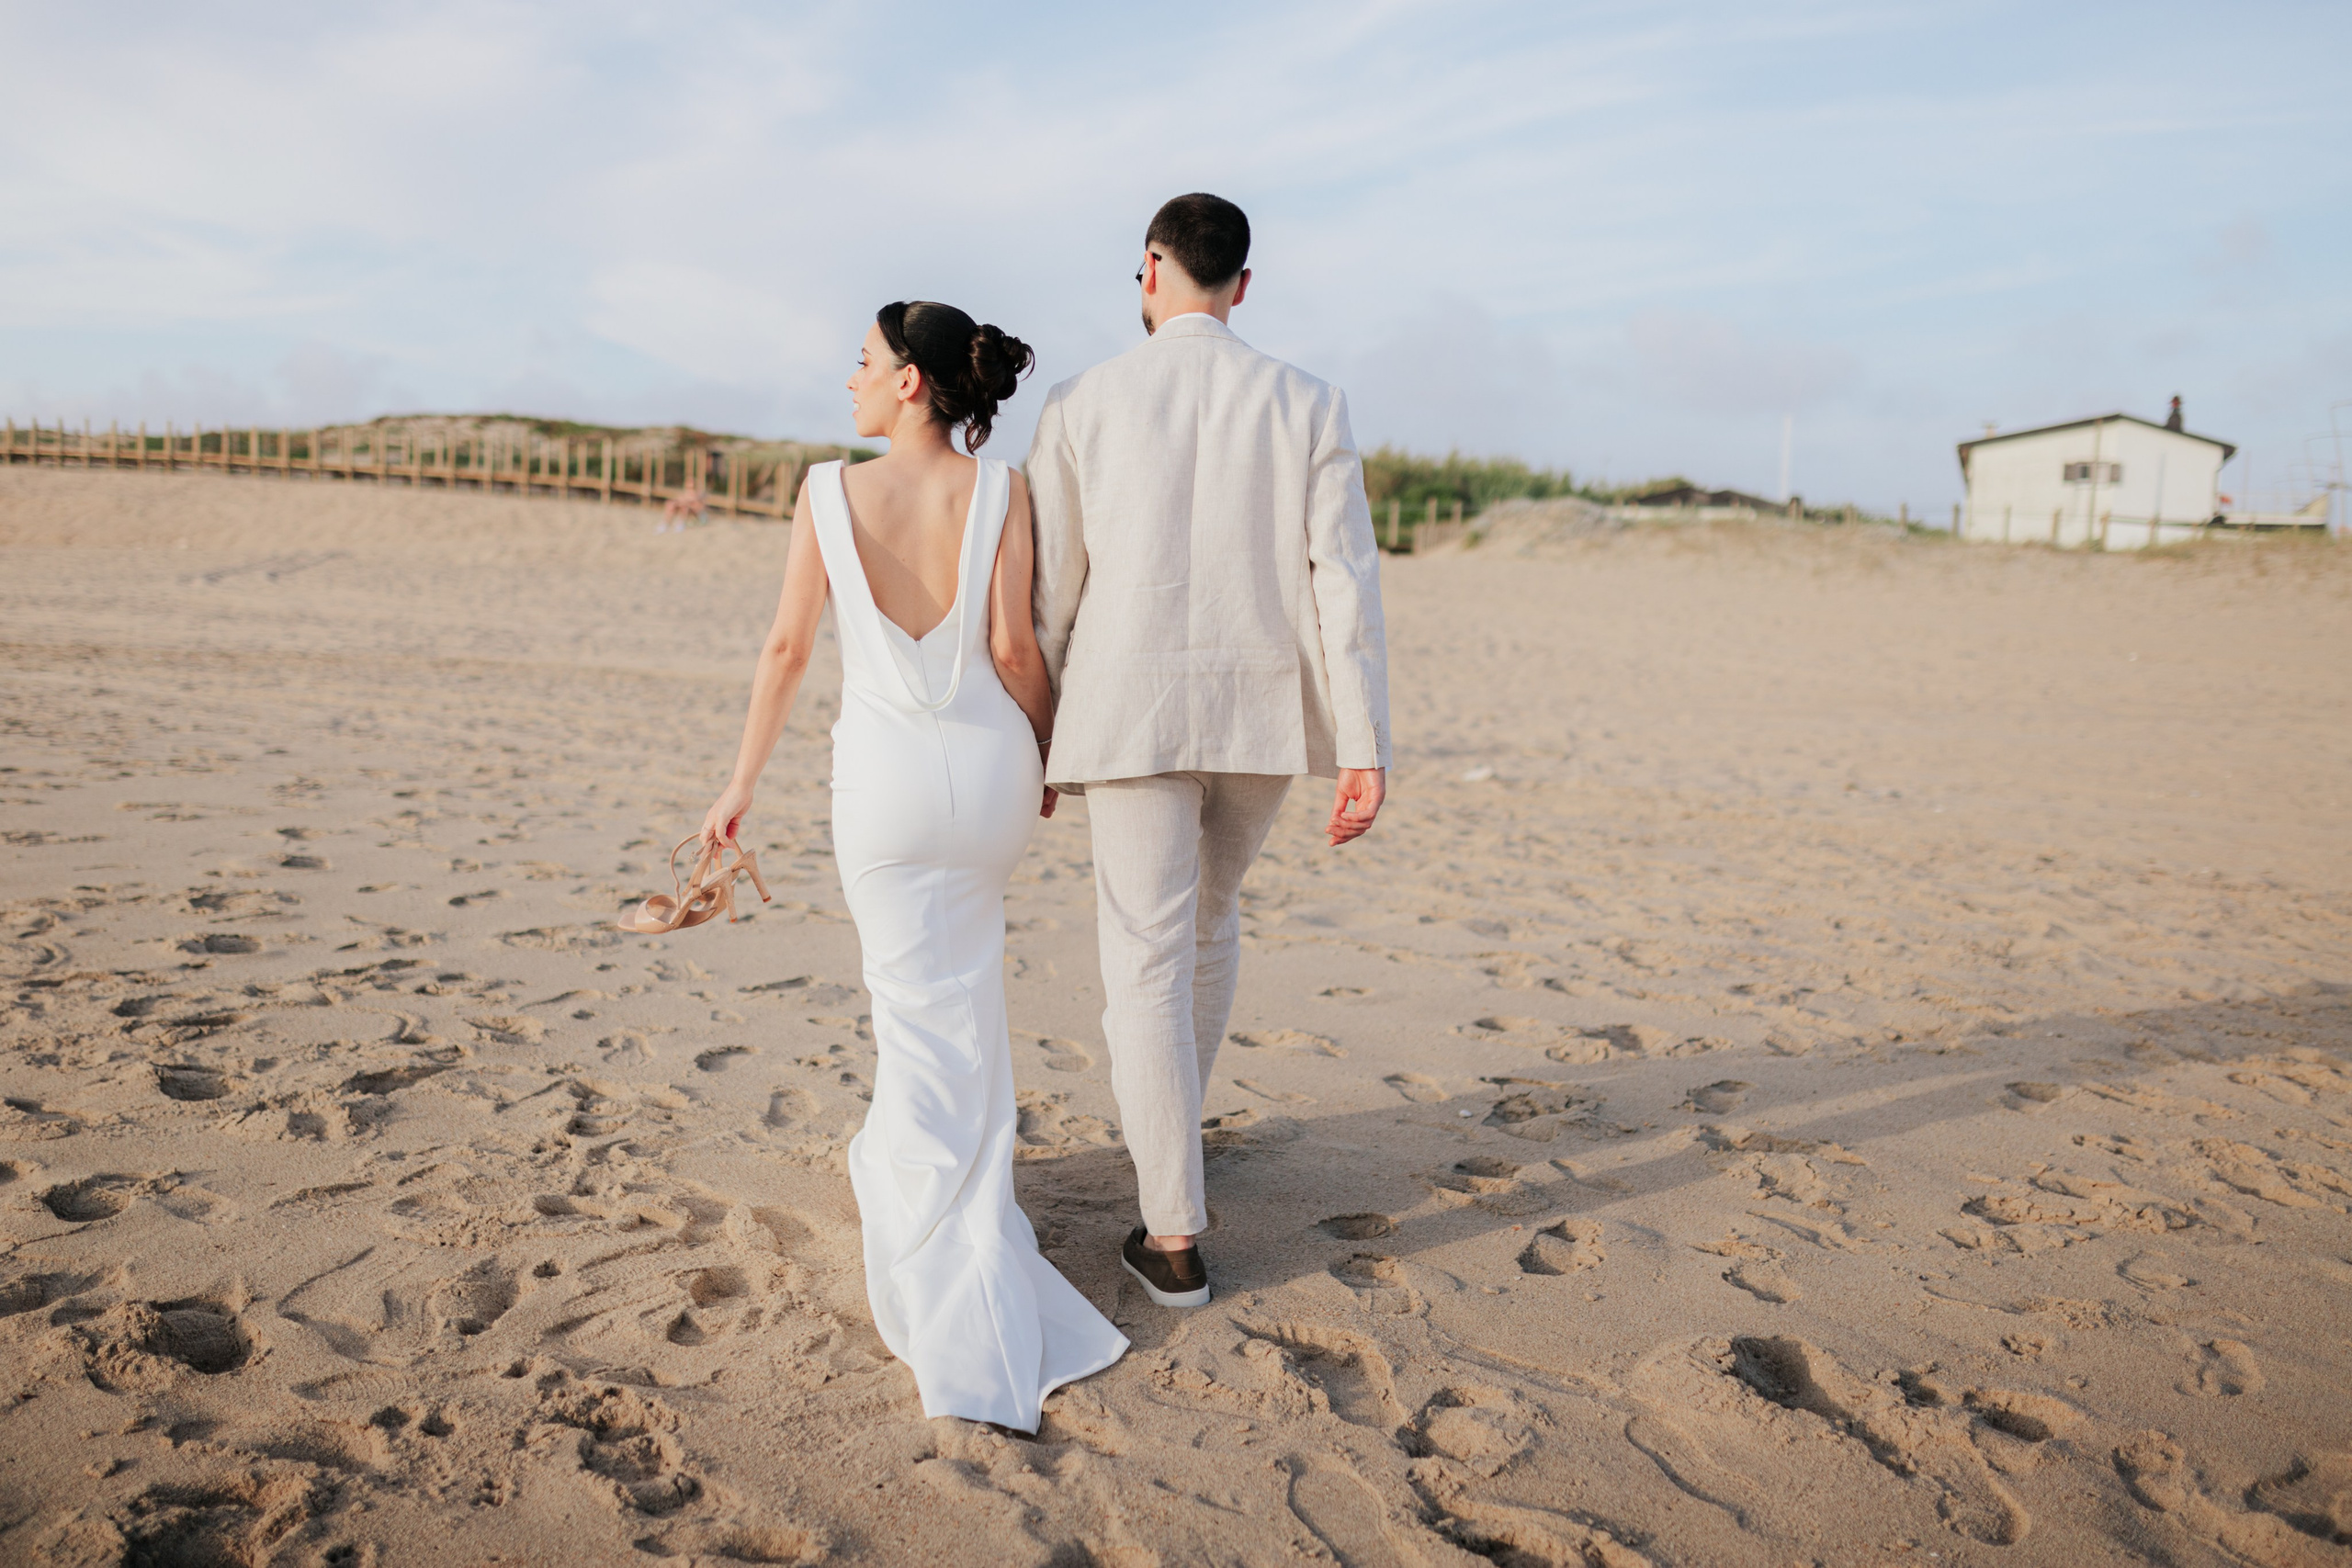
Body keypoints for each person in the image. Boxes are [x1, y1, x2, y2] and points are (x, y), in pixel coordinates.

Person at [697, 300, 1125, 1430]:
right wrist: (1043, 756)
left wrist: (739, 786)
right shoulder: (1000, 491)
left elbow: (788, 647)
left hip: (882, 783)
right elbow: (1014, 649)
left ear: (908, 386)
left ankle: (948, 1231)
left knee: (910, 1002)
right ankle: (953, 1179)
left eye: (864, 362)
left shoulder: (827, 490)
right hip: (985, 774)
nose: (849, 378)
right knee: (967, 992)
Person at [1026, 193, 1391, 1309]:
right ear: (1241, 284)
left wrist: (1034, 735)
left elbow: (1051, 592)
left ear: (1150, 268)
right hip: (1258, 714)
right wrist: (1363, 743)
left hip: (1125, 713)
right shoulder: (1307, 401)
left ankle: (1174, 1231)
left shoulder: (1083, 400)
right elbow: (1344, 578)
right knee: (1208, 924)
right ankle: (1172, 1145)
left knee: (1143, 957)